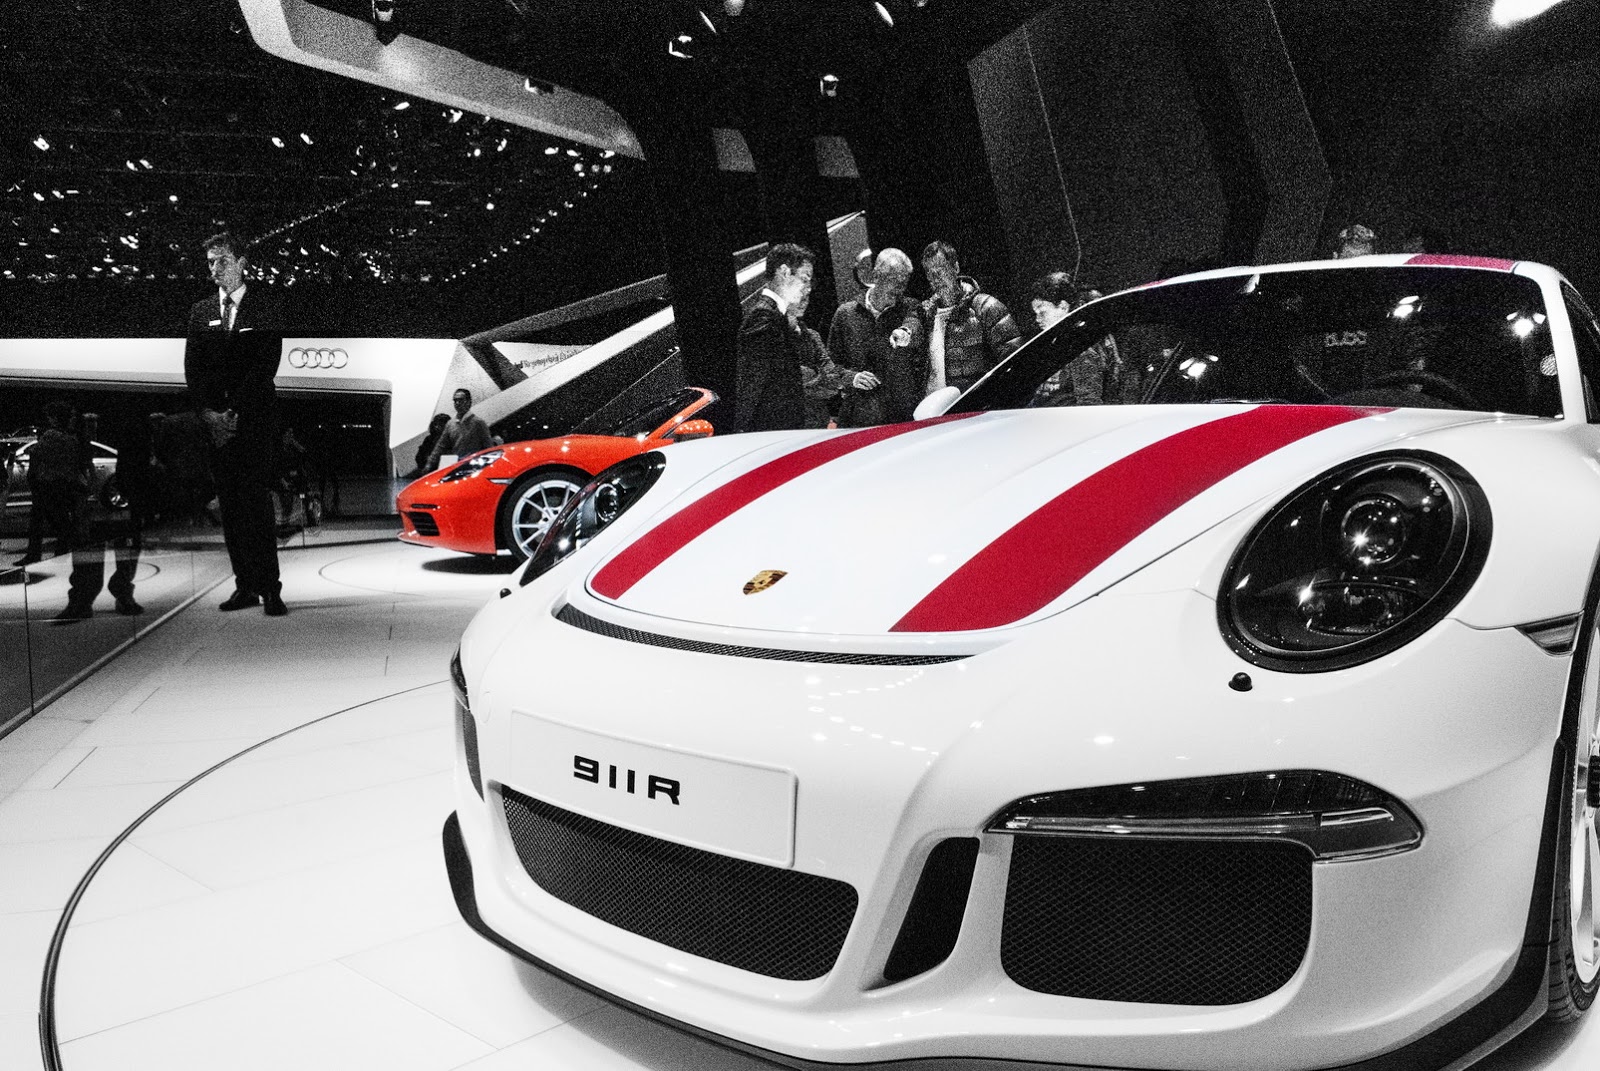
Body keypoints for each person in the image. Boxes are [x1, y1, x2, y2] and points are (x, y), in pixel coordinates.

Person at [184, 230, 287, 616]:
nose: (214, 269)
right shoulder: (200, 311)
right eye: (210, 262)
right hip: (217, 429)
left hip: (254, 423)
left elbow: (265, 366)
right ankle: (244, 585)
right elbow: (192, 370)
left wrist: (232, 412)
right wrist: (208, 414)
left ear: (242, 263)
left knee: (258, 507)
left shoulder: (265, 308)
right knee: (230, 509)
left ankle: (270, 589)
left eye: (222, 261)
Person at [827, 247, 923, 426]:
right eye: (894, 280)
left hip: (903, 419)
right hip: (859, 419)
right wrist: (852, 378)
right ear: (876, 275)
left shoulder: (911, 308)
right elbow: (830, 368)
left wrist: (906, 332)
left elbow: (914, 326)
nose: (900, 288)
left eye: (904, 281)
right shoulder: (845, 314)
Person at [916, 240, 1023, 398]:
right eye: (930, 273)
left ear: (955, 268)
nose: (936, 278)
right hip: (935, 408)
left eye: (941, 269)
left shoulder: (986, 308)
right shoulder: (925, 316)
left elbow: (1015, 364)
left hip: (973, 406)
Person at [733, 242, 814, 433]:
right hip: (771, 429)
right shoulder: (763, 316)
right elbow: (753, 381)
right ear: (784, 272)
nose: (808, 288)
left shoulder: (776, 315)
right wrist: (744, 431)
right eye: (804, 279)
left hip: (780, 428)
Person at [1028, 272, 1127, 406]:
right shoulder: (1058, 342)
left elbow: (1088, 405)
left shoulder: (1080, 348)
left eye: (1042, 312)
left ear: (1063, 306)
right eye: (1036, 313)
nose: (1037, 319)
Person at [16, 401, 83, 566]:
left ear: (55, 417)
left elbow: (36, 455)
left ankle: (34, 554)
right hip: (63, 483)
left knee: (38, 521)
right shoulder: (72, 438)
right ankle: (61, 552)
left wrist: (34, 477)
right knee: (61, 520)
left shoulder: (51, 435)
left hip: (47, 484)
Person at [789, 290, 855, 429]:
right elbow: (790, 381)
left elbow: (832, 375)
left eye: (806, 298)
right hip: (791, 417)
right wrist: (818, 377)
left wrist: (816, 377)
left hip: (818, 416)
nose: (803, 302)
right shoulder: (773, 338)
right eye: (798, 297)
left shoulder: (812, 335)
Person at [426, 389, 497, 471]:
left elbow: (489, 447)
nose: (457, 403)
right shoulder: (450, 424)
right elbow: (440, 445)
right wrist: (429, 463)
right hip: (458, 466)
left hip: (475, 467)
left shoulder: (478, 423)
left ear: (469, 402)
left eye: (460, 400)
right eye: (455, 401)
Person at [407, 412, 451, 478]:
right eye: (436, 424)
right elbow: (419, 456)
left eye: (441, 425)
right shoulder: (429, 439)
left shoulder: (450, 439)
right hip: (428, 467)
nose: (437, 427)